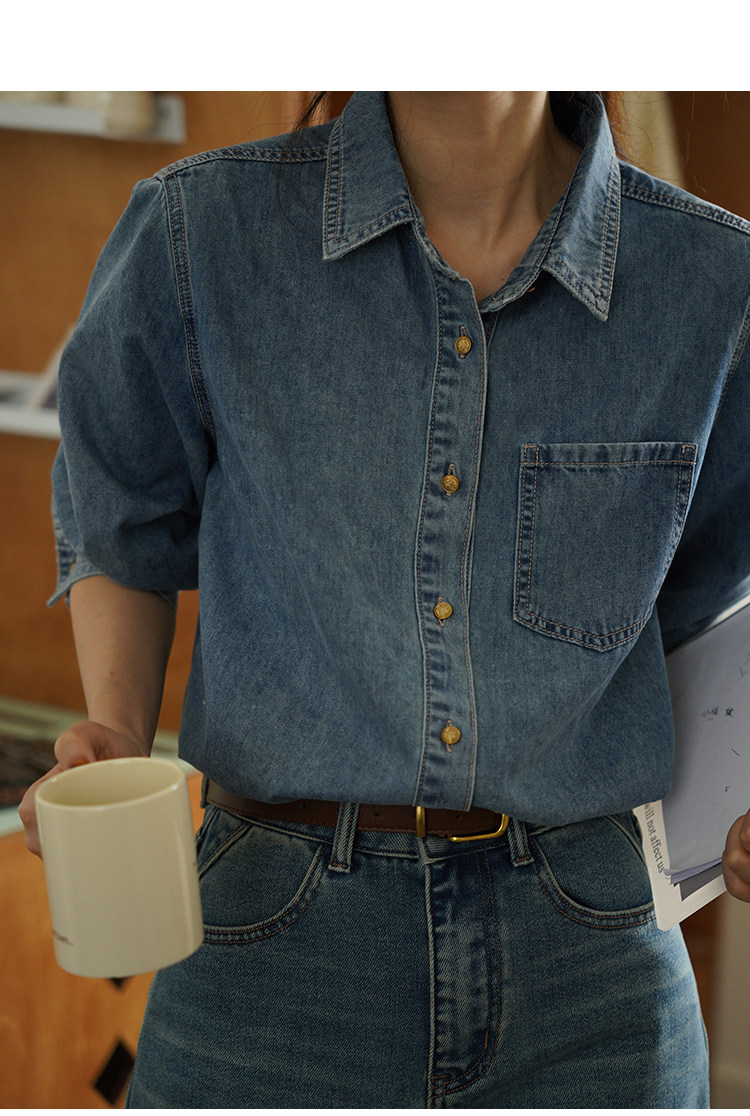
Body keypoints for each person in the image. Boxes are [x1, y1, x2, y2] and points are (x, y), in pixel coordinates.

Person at [19, 91, 750, 1107]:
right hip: (269, 950)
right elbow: (122, 512)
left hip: (595, 969)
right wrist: (113, 726)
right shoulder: (200, 232)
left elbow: (714, 600)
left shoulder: (714, 279)